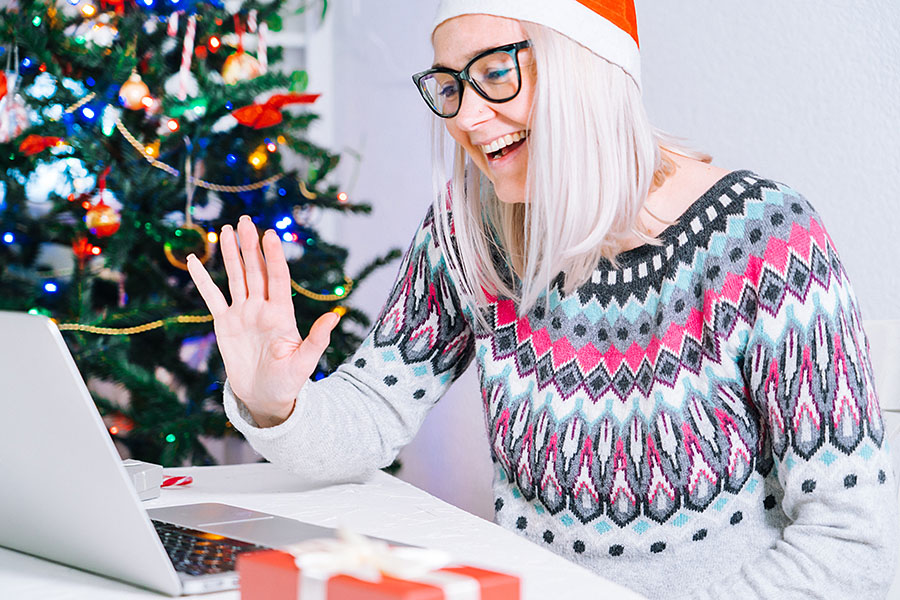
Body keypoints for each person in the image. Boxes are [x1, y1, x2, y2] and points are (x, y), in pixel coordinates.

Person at [187, 1, 898, 597]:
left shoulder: (765, 240)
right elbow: (371, 414)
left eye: (496, 73)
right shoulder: (471, 224)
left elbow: (851, 541)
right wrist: (274, 401)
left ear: (587, 66)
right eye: (450, 86)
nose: (466, 115)